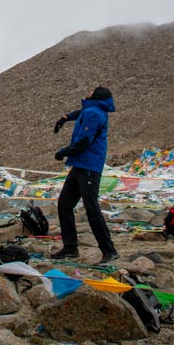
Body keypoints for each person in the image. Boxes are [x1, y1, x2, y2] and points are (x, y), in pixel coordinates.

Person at [50, 86, 118, 264]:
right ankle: (70, 247)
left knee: (91, 208)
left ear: (96, 95)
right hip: (80, 164)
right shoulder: (92, 110)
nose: (88, 91)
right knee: (64, 203)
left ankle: (109, 250)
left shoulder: (94, 114)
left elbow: (84, 141)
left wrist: (64, 152)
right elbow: (81, 112)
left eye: (92, 90)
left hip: (88, 165)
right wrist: (65, 118)